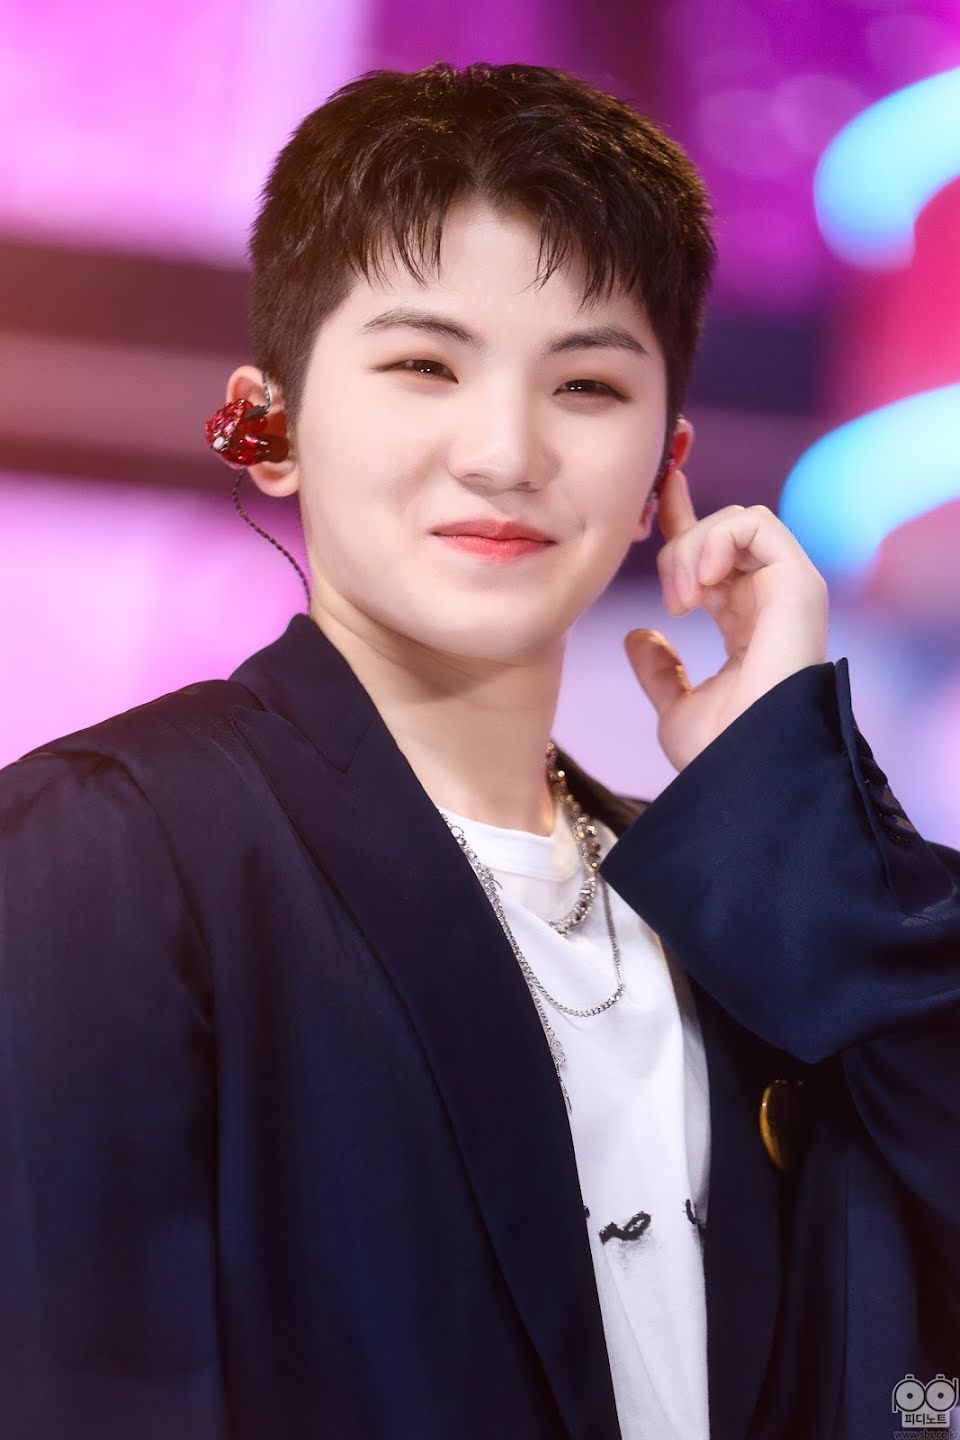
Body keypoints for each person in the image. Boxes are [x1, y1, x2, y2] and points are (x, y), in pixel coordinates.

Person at [1, 60, 957, 1440]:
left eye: (587, 385)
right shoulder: (105, 853)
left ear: (667, 465)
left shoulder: (743, 914)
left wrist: (790, 797)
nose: (505, 452)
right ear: (268, 425)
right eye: (424, 366)